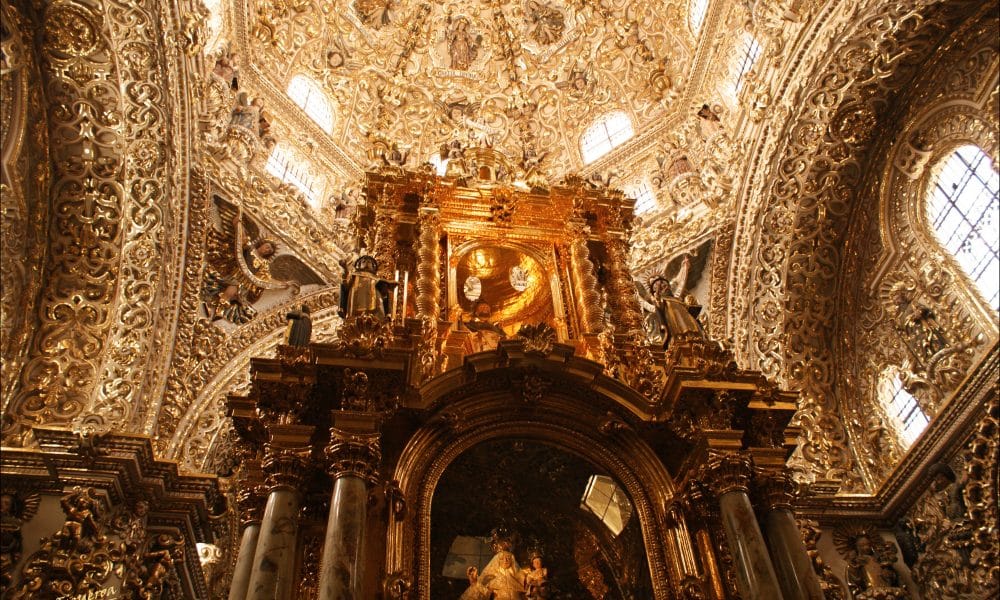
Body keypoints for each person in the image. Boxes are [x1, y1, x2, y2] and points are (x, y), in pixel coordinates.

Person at [339, 255, 396, 321]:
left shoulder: (377, 279)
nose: (366, 263)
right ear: (359, 265)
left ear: (373, 266)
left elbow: (385, 295)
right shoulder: (354, 276)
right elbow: (345, 285)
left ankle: (379, 319)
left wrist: (387, 285)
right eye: (364, 262)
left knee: (377, 316)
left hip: (375, 303)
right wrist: (345, 269)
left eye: (369, 262)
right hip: (356, 303)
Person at [460, 550, 526, 600]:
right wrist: (474, 582)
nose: (505, 560)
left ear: (512, 560)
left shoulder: (520, 576)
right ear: (497, 561)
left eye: (508, 558)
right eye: (502, 558)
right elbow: (484, 594)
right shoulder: (492, 576)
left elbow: (526, 593)